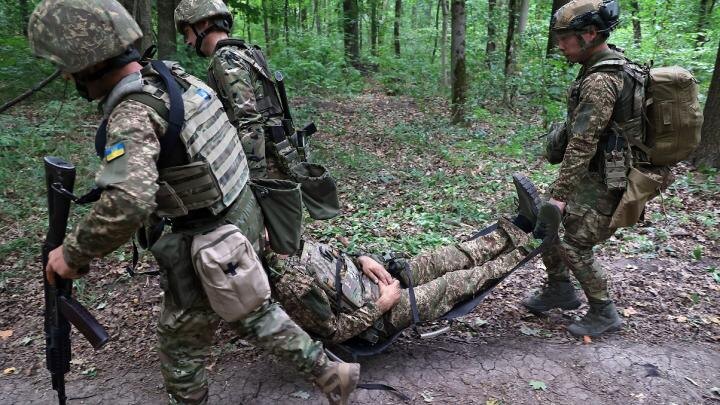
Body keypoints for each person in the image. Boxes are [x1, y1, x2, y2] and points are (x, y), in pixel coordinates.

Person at [29, 1, 358, 404]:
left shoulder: (132, 114)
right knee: (251, 310)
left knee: (181, 343)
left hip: (208, 238)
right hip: (240, 217)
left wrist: (73, 254)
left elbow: (129, 202)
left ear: (80, 63)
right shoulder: (173, 78)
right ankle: (331, 373)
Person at [264, 175, 561, 345]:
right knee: (457, 281)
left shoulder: (293, 244)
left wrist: (362, 258)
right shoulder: (292, 283)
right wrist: (383, 303)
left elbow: (332, 263)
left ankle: (519, 226)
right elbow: (334, 331)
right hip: (380, 315)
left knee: (446, 257)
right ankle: (532, 243)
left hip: (374, 281)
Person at [523, 0, 670, 338]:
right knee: (547, 227)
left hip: (608, 177)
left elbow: (583, 143)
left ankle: (603, 310)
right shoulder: (603, 66)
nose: (560, 45)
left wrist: (559, 196)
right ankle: (559, 288)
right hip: (594, 171)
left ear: (589, 34)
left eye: (565, 38)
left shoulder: (601, 80)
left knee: (575, 243)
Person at [174, 0, 304, 179]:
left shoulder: (226, 58)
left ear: (202, 23)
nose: (187, 41)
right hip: (280, 153)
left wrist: (257, 180)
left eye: (187, 32)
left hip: (266, 164)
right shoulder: (246, 52)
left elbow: (249, 121)